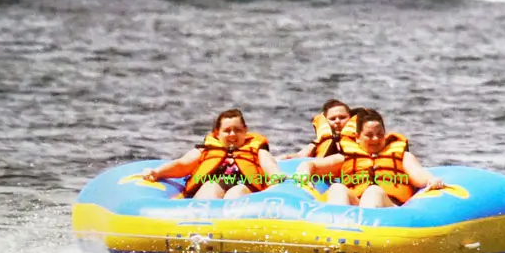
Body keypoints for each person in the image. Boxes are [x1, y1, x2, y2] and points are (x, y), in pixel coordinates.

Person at [294, 108, 446, 208]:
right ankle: (335, 231)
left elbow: (418, 174)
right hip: (356, 207)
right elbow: (311, 165)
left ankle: (365, 237)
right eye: (369, 135)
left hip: (390, 209)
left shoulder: (402, 156)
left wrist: (431, 180)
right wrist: (303, 178)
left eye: (380, 134)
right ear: (358, 137)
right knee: (337, 188)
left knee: (373, 191)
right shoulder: (346, 158)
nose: (375, 139)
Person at [143, 108, 284, 199]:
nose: (232, 134)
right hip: (213, 183)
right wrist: (157, 172)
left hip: (244, 185)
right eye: (227, 131)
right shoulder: (206, 149)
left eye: (237, 130)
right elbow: (183, 164)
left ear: (245, 130)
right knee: (210, 188)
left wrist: (277, 177)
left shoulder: (257, 149)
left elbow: (269, 164)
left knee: (237, 193)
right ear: (217, 133)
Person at [280, 99, 362, 159]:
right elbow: (300, 155)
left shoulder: (362, 138)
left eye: (342, 117)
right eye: (332, 119)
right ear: (326, 121)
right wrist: (285, 157)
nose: (337, 121)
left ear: (350, 117)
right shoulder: (319, 142)